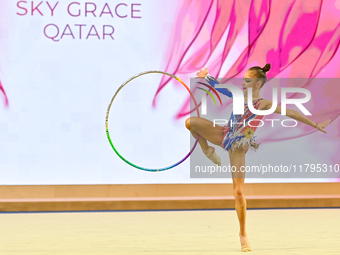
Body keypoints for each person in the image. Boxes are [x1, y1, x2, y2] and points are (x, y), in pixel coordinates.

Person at [185, 64, 331, 252]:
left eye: (247, 80)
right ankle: (207, 150)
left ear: (257, 84)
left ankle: (243, 233)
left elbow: (291, 112)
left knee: (238, 191)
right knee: (191, 122)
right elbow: (221, 88)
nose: (243, 83)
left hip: (239, 145)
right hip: (224, 134)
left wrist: (315, 124)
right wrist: (207, 76)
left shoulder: (263, 104)